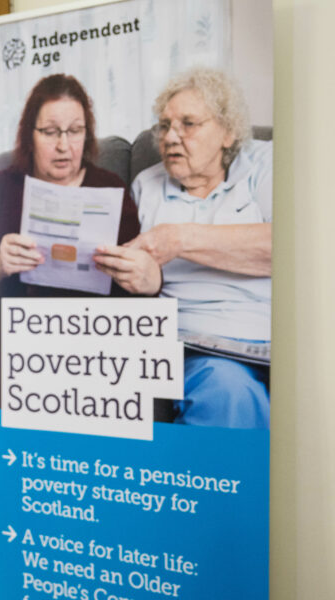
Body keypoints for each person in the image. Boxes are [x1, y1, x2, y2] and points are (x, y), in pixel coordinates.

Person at [95, 67, 272, 429]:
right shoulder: (148, 183)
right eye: (164, 126)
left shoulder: (264, 165)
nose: (171, 137)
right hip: (186, 343)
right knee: (226, 387)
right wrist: (146, 277)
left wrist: (178, 239)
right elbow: (138, 268)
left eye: (188, 124)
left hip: (260, 334)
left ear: (228, 131)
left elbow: (292, 247)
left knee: (233, 388)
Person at [0, 73, 160, 407]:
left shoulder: (110, 187)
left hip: (95, 346)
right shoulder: (2, 187)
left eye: (75, 131)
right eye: (50, 132)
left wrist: (147, 276)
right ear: (30, 135)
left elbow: (140, 291)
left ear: (87, 133)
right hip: (25, 343)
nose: (63, 145)